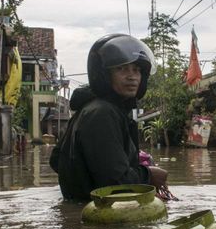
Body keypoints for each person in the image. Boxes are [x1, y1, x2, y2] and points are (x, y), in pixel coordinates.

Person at [50, 33, 171, 201]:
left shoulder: (93, 108)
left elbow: (56, 160)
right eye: (122, 68)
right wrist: (148, 175)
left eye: (136, 70)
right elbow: (116, 183)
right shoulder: (102, 114)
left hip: (86, 212)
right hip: (99, 216)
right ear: (104, 75)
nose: (132, 76)